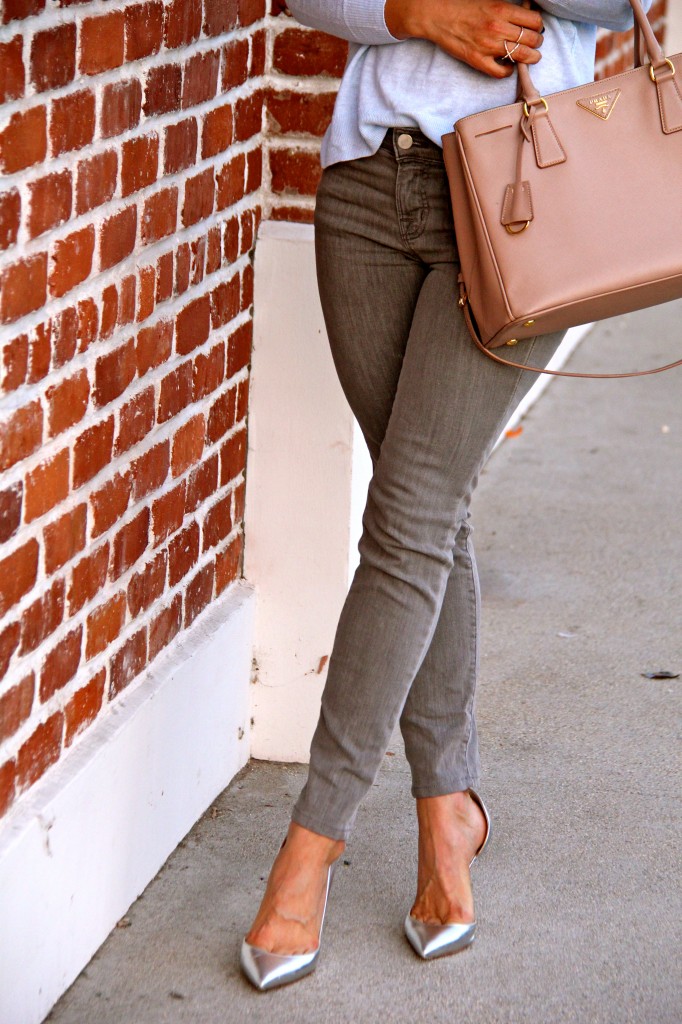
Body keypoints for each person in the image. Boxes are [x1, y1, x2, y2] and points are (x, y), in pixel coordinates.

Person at [240, 0, 650, 992]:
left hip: (529, 184)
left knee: (409, 515)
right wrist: (416, 11)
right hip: (366, 185)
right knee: (424, 509)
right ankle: (446, 808)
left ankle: (311, 843)